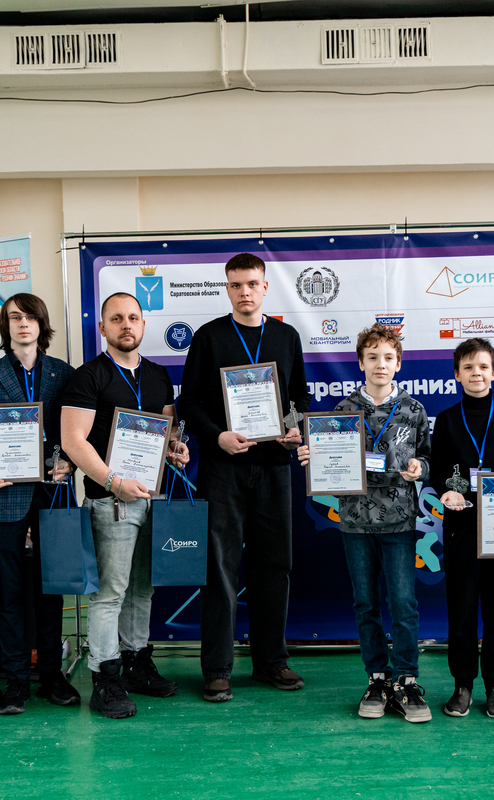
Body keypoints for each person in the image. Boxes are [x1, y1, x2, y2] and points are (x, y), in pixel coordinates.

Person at [178, 252, 310, 703]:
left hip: (274, 467)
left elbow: (300, 399)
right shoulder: (209, 337)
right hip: (223, 469)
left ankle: (271, 661)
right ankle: (217, 668)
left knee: (274, 565)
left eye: (252, 283)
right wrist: (217, 436)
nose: (244, 292)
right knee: (220, 568)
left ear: (265, 286)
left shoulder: (286, 337)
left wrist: (293, 429)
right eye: (236, 285)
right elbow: (189, 403)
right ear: (227, 288)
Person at [61, 292, 189, 719]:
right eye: (116, 319)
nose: (126, 325)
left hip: (153, 497)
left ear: (143, 325)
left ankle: (136, 661)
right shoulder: (88, 376)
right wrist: (114, 482)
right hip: (110, 500)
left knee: (142, 588)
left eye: (133, 317)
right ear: (103, 328)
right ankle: (105, 676)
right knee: (110, 593)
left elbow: (168, 429)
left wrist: (176, 448)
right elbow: (72, 441)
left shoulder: (157, 374)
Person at [296, 323, 432, 723]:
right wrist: (313, 459)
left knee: (403, 603)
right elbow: (328, 462)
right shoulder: (342, 411)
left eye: (388, 358)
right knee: (365, 603)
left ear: (398, 364)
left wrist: (419, 467)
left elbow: (428, 457)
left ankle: (406, 679)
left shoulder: (413, 409)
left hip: (400, 522)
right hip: (355, 521)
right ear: (360, 362)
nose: (380, 364)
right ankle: (377, 678)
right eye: (372, 357)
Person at [0, 292, 77, 715]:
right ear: (5, 326)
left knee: (51, 588)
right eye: (14, 317)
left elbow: (75, 434)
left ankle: (51, 674)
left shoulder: (64, 374)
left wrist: (70, 462)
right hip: (4, 494)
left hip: (52, 491)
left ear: (41, 324)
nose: (23, 323)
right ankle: (15, 679)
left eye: (30, 317)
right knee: (9, 591)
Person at [430, 337, 494, 720]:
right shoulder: (446, 419)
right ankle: (462, 685)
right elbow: (437, 471)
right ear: (457, 375)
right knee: (460, 611)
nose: (476, 373)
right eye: (468, 367)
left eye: (483, 367)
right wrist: (445, 491)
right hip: (461, 527)